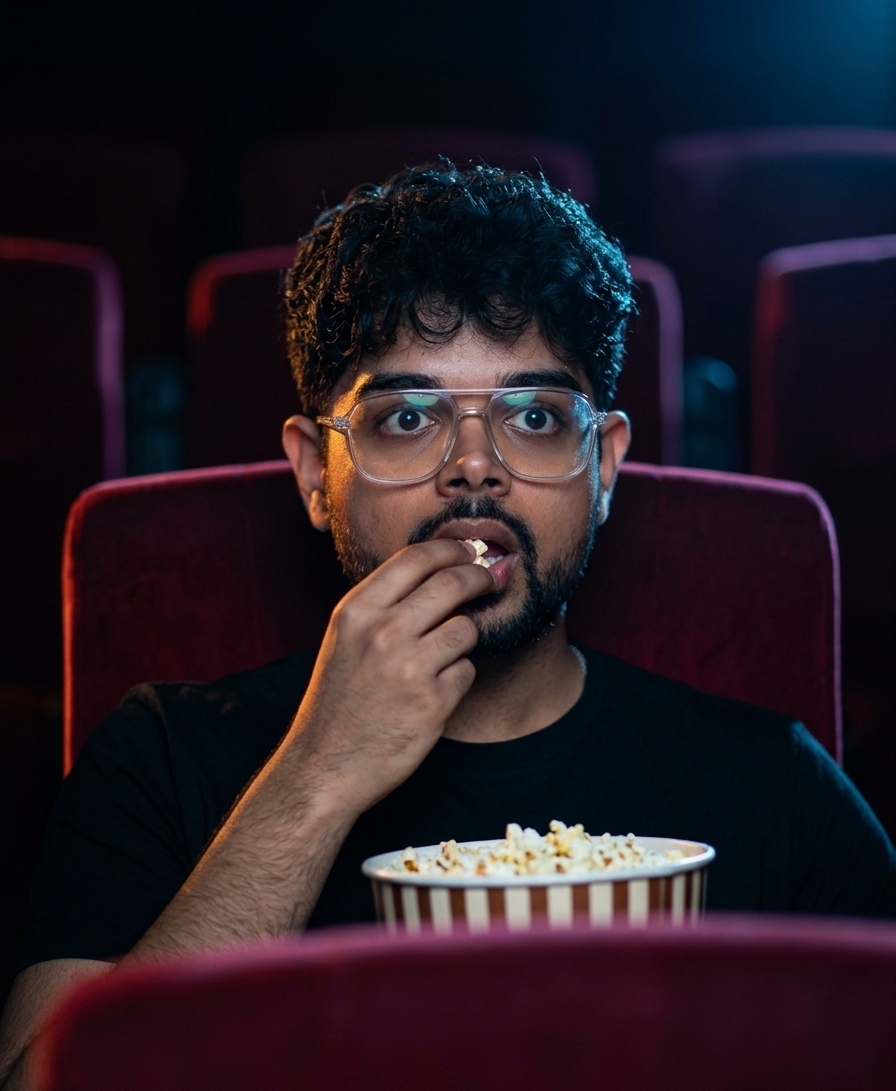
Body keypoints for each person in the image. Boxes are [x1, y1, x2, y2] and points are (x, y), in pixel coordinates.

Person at [1, 162, 894, 1088]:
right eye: (410, 416)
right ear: (314, 474)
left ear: (606, 464)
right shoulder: (158, 756)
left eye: (538, 415)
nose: (474, 467)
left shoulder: (769, 784)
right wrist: (319, 774)